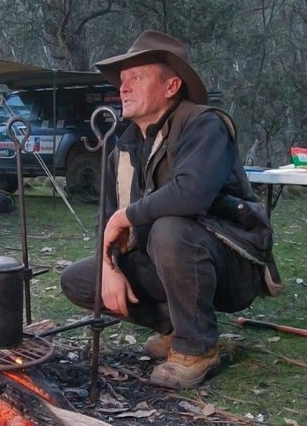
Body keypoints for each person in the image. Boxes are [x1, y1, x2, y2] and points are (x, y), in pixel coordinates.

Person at [60, 30, 282, 389]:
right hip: (165, 260)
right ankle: (177, 330)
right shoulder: (124, 149)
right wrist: (108, 266)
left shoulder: (203, 124)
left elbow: (191, 195)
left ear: (171, 86)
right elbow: (107, 220)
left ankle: (198, 347)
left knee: (170, 227)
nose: (124, 88)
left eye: (137, 77)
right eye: (123, 81)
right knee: (81, 280)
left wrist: (125, 217)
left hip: (231, 264)